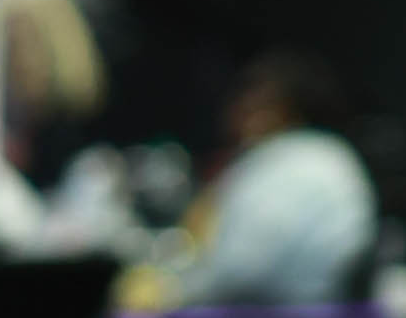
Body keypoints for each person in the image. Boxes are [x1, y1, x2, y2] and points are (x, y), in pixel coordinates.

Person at [147, 50, 376, 305]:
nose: (238, 112)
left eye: (254, 101)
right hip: (310, 311)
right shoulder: (326, 153)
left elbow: (239, 271)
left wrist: (168, 295)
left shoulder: (293, 162)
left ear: (284, 108)